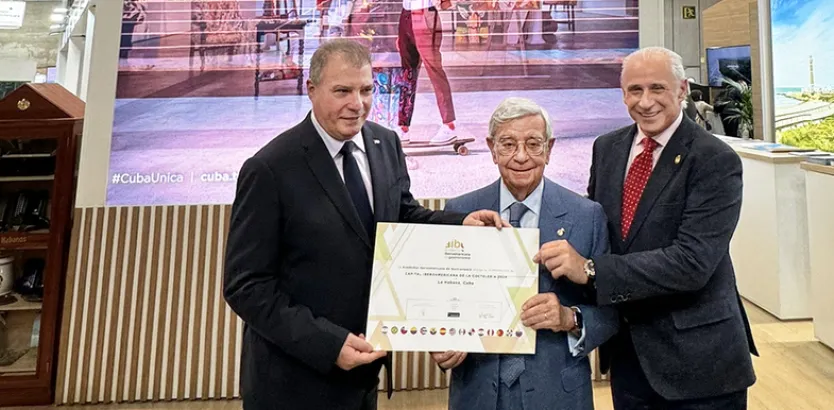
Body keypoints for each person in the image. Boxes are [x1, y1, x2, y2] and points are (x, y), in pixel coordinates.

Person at [223, 38, 503, 410]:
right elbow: (246, 286)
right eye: (342, 91)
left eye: (366, 90)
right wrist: (327, 343)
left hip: (364, 375)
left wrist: (460, 224)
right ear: (311, 90)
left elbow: (401, 217)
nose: (357, 104)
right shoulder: (270, 168)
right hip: (292, 384)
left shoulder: (384, 143)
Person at [536, 47, 757, 409]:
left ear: (682, 90)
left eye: (658, 88)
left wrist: (590, 269)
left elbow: (692, 263)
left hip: (701, 364)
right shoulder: (607, 148)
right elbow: (598, 232)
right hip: (629, 357)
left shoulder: (715, 159)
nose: (646, 101)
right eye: (634, 90)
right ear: (622, 94)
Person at [434, 97, 619, 410]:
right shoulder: (459, 212)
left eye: (533, 144)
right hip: (476, 391)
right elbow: (437, 300)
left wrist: (569, 318)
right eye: (507, 144)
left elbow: (612, 313)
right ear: (491, 148)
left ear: (550, 148)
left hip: (557, 393)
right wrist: (439, 340)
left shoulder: (586, 216)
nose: (521, 156)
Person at [396, 0, 461, 145]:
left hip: (425, 12)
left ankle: (449, 124)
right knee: (407, 72)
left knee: (434, 70)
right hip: (406, 13)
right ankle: (403, 126)